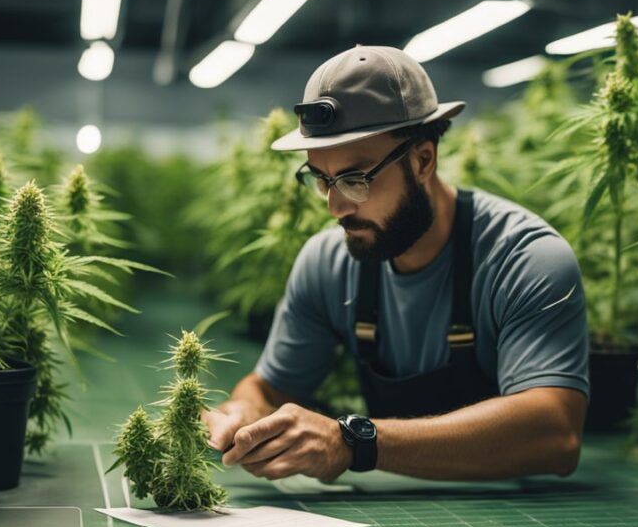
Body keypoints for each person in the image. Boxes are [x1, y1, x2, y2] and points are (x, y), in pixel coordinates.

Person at [202, 45, 589, 483]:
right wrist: (243, 413)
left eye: (355, 179)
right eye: (321, 179)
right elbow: (268, 389)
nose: (335, 207)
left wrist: (355, 443)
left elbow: (555, 432)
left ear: (423, 159)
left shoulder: (524, 258)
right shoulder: (327, 263)